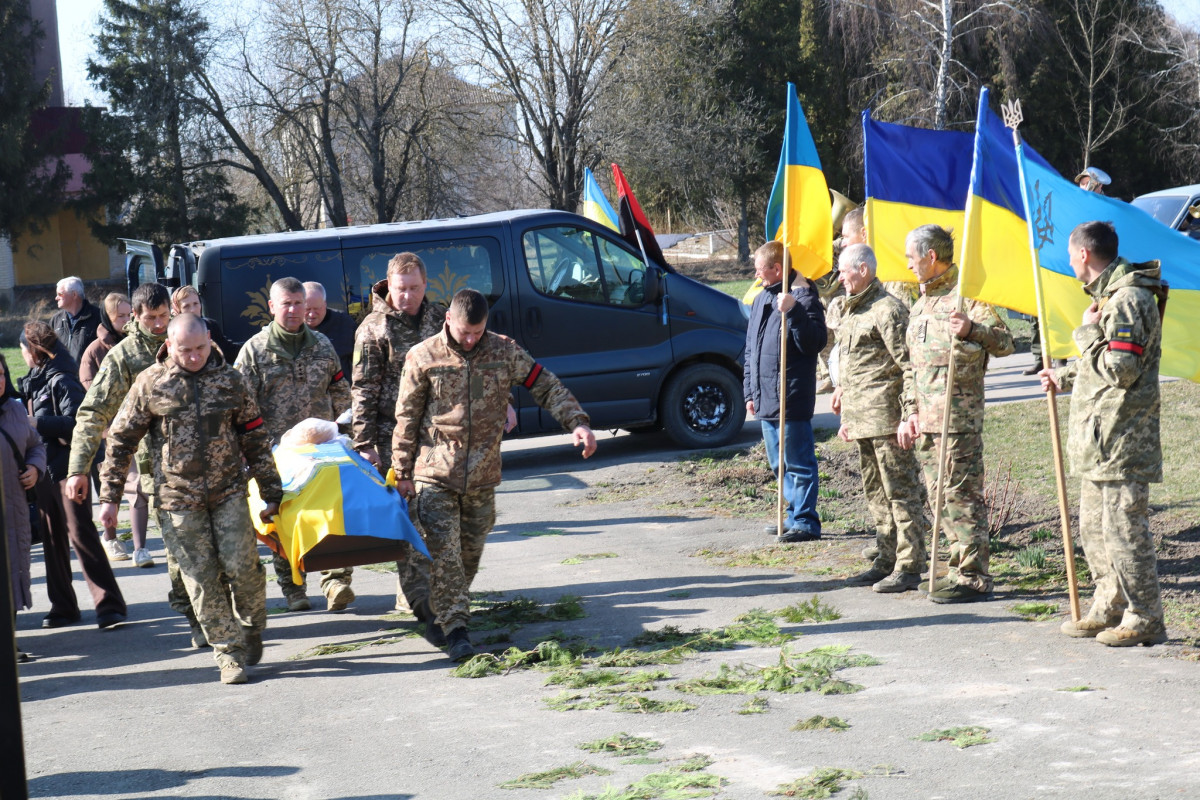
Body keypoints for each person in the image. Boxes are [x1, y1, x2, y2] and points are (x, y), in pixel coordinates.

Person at [392, 288, 596, 662]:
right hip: (435, 473)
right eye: (464, 332)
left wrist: (577, 422)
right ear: (449, 319)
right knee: (447, 555)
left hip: (483, 475)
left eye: (477, 331)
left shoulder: (504, 351)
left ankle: (438, 613)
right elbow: (405, 418)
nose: (470, 339)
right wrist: (402, 470)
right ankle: (458, 632)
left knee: (470, 554)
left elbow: (545, 384)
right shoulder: (422, 357)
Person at [99, 314, 282, 684]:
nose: (194, 356)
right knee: (200, 579)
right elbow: (120, 441)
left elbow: (255, 439)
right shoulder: (151, 384)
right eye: (185, 350)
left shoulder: (231, 381)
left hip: (228, 490)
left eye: (200, 348)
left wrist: (271, 490)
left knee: (243, 568)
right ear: (169, 345)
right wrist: (110, 498)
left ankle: (251, 623)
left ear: (209, 340)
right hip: (177, 498)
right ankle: (228, 653)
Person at [1039, 221, 1167, 647]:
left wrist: (1086, 333)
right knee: (1094, 528)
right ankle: (1107, 604)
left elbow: (1122, 369)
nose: (1069, 261)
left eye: (1070, 254)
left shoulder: (1128, 299)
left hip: (1124, 439)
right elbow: (1099, 369)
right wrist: (1063, 374)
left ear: (1083, 255)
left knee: (1124, 530)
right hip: (1100, 440)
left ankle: (1145, 616)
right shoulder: (1107, 298)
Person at [65, 283, 206, 642]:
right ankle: (196, 616)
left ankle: (215, 612)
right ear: (135, 318)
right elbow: (93, 412)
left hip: (208, 463)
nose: (159, 325)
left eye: (164, 316)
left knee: (213, 549)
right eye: (151, 318)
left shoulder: (185, 341)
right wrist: (78, 468)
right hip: (159, 470)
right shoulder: (124, 357)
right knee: (181, 550)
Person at [898, 224, 1013, 603]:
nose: (908, 264)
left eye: (912, 257)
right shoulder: (921, 303)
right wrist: (910, 412)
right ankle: (955, 567)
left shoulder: (968, 297)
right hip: (927, 422)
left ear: (931, 257)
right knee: (938, 498)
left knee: (962, 497)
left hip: (958, 420)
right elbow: (912, 368)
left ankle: (975, 577)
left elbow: (1006, 342)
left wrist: (973, 329)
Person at [235, 276, 353, 612]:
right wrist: (249, 449)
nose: (292, 310)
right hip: (276, 454)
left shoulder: (322, 345)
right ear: (271, 307)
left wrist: (344, 431)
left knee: (332, 513)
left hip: (322, 450)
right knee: (283, 519)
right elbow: (240, 405)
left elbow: (340, 391)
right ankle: (294, 589)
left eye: (298, 303)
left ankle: (335, 582)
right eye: (285, 304)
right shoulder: (254, 352)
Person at [351, 254, 444, 621]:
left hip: (437, 435)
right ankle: (415, 599)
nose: (408, 296)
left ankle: (432, 593)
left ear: (425, 285)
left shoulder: (440, 319)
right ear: (388, 286)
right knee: (410, 519)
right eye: (401, 289)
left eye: (415, 288)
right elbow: (363, 390)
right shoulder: (373, 328)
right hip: (393, 438)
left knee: (437, 516)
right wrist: (365, 444)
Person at [831, 245, 928, 593]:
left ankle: (911, 564)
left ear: (863, 269)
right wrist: (846, 407)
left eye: (844, 271)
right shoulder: (852, 310)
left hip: (888, 420)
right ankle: (887, 558)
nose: (839, 277)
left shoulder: (887, 310)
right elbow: (856, 368)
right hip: (863, 421)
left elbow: (908, 365)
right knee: (877, 495)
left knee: (901, 494)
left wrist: (909, 414)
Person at [19, 322, 128, 630]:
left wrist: (36, 424)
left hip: (69, 471)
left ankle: (110, 605)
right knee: (52, 540)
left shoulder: (63, 379)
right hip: (44, 473)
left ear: (35, 352)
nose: (24, 355)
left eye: (25, 350)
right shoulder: (36, 380)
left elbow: (76, 423)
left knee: (81, 534)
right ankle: (63, 607)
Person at [743, 241, 827, 543]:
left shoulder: (803, 299)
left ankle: (805, 521)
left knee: (798, 462)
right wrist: (749, 392)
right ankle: (792, 516)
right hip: (765, 397)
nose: (756, 275)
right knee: (779, 463)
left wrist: (793, 312)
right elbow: (751, 350)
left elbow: (813, 343)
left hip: (790, 397)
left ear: (777, 268)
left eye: (760, 269)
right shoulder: (760, 300)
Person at [79, 292, 148, 564]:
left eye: (128, 314)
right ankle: (110, 537)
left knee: (138, 487)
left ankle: (140, 546)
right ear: (107, 318)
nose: (125, 319)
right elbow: (91, 394)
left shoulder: (139, 344)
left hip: (140, 431)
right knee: (111, 487)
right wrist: (109, 429)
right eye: (119, 315)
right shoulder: (95, 352)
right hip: (111, 434)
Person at [1, 351, 46, 659]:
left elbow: (36, 445)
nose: (0, 381)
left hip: (14, 510)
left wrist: (34, 468)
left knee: (13, 574)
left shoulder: (15, 410)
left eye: (2, 374)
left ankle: (9, 643)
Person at [304, 281, 357, 385]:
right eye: (307, 309)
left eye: (316, 308)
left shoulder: (344, 324)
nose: (312, 314)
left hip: (339, 396)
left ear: (325, 304)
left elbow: (360, 365)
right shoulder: (292, 328)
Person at [171, 285, 236, 361]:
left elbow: (228, 351)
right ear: (178, 310)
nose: (192, 310)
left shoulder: (210, 325)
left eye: (195, 304)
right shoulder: (173, 332)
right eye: (186, 306)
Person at [50, 276, 101, 372]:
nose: (56, 298)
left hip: (89, 380)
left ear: (74, 294)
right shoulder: (56, 320)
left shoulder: (98, 317)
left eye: (60, 294)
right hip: (63, 380)